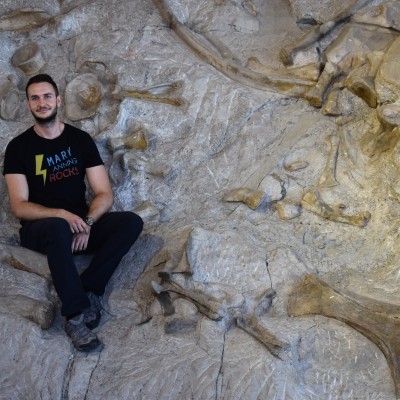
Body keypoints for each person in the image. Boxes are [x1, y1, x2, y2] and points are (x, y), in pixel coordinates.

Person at [2, 74, 143, 352]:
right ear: (29, 104)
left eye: (46, 96)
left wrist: (87, 222)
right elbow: (19, 205)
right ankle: (75, 315)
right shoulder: (18, 148)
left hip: (79, 225)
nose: (42, 103)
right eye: (35, 98)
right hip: (41, 229)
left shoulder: (80, 140)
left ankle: (89, 289)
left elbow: (104, 194)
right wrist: (63, 216)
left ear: (58, 100)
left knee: (130, 222)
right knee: (57, 226)